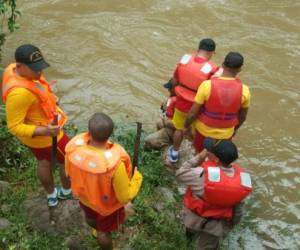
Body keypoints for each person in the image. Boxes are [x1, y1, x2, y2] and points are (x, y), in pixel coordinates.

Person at [1, 44, 71, 207]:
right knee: (68, 158)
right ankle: (67, 191)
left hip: (38, 133)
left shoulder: (12, 69)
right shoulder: (19, 94)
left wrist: (51, 97)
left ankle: (51, 195)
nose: (39, 72)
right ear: (20, 66)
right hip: (45, 136)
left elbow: (39, 88)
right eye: (35, 69)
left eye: (40, 67)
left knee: (43, 161)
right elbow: (14, 126)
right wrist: (46, 131)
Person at [65, 113, 143, 250]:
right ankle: (104, 239)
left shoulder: (72, 152)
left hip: (85, 199)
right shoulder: (114, 165)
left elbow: (68, 173)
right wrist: (137, 177)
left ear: (89, 132)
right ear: (110, 135)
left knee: (89, 218)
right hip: (106, 208)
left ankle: (96, 229)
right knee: (104, 233)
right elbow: (124, 197)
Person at [176, 138, 252, 249]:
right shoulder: (241, 182)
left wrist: (199, 157)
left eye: (209, 150)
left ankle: (187, 243)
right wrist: (230, 226)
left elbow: (180, 173)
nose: (207, 151)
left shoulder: (201, 174)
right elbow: (238, 211)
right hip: (215, 227)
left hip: (193, 219)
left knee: (189, 234)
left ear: (216, 159)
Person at [185, 52, 251, 152]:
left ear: (223, 65)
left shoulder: (207, 85)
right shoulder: (245, 90)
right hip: (226, 134)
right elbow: (242, 117)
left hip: (203, 131)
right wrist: (234, 130)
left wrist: (187, 127)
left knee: (198, 153)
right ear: (240, 69)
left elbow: (192, 113)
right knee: (216, 158)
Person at [167, 38, 218, 162]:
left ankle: (174, 152)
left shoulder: (184, 60)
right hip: (198, 107)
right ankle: (195, 156)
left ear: (198, 49)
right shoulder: (213, 69)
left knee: (179, 129)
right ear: (212, 53)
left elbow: (174, 81)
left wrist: (171, 96)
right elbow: (213, 91)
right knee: (197, 131)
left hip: (181, 104)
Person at [145, 82, 176, 150]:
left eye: (170, 88)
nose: (168, 90)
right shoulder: (171, 99)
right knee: (159, 123)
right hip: (169, 124)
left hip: (175, 129)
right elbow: (164, 111)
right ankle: (161, 143)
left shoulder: (178, 103)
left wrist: (165, 121)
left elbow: (179, 124)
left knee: (148, 141)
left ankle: (163, 145)